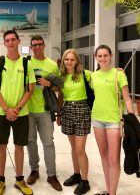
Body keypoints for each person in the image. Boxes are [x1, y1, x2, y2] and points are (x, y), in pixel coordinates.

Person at [0, 30, 35, 195]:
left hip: (21, 113)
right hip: (2, 112)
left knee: (19, 147)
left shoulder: (26, 63)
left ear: (18, 41)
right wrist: (6, 109)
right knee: (1, 146)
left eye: (13, 40)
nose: (10, 42)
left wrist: (17, 108)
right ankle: (0, 181)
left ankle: (19, 179)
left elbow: (30, 89)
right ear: (4, 43)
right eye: (7, 40)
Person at [92, 45, 135, 195]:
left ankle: (113, 193)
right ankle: (109, 190)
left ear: (110, 56)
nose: (103, 59)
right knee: (104, 156)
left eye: (105, 55)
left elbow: (128, 99)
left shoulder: (119, 74)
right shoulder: (93, 76)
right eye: (100, 56)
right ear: (95, 58)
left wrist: (133, 120)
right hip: (97, 119)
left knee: (113, 158)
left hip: (114, 121)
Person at [26, 35, 63, 191]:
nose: (37, 47)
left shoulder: (52, 65)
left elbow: (59, 87)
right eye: (34, 45)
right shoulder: (26, 62)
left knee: (48, 143)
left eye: (39, 44)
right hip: (27, 110)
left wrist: (49, 84)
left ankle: (52, 175)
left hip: (46, 110)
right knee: (30, 142)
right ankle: (34, 170)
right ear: (30, 47)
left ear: (44, 45)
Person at [57, 49, 91, 195]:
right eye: (66, 59)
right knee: (73, 147)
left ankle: (85, 181)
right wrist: (59, 113)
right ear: (63, 61)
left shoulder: (86, 74)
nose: (69, 62)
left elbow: (102, 76)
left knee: (80, 149)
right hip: (67, 110)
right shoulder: (62, 76)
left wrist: (117, 71)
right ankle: (76, 174)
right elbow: (61, 95)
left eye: (72, 59)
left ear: (77, 61)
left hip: (82, 109)